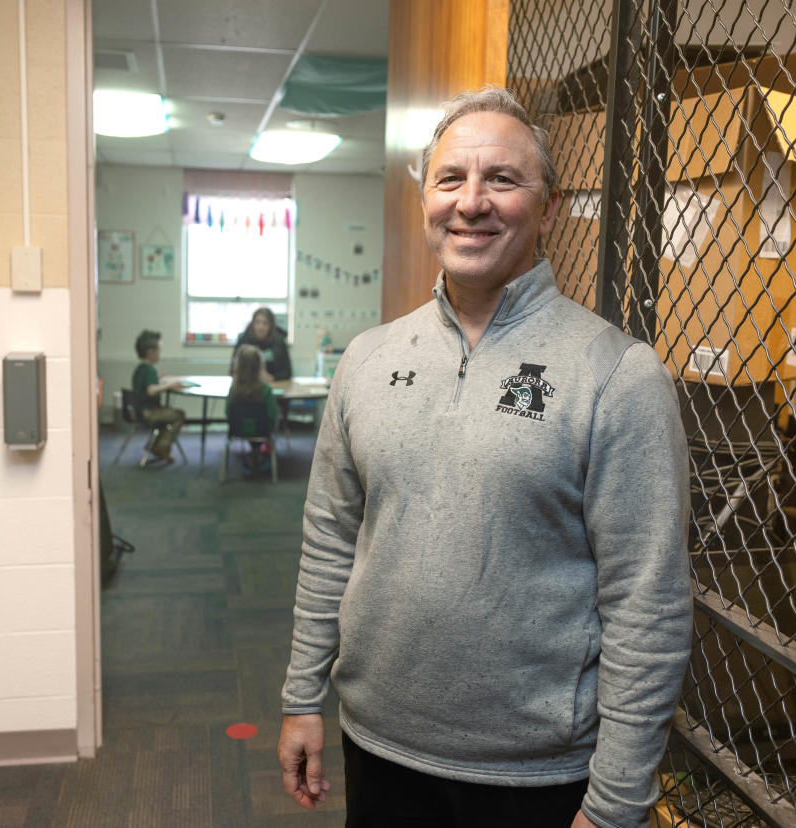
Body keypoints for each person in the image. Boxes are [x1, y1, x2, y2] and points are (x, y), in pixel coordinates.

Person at [277, 87, 692, 828]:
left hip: (537, 780)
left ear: (549, 207)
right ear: (426, 199)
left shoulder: (618, 375)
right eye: (450, 179)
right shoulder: (368, 360)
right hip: (377, 747)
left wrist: (620, 798)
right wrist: (302, 697)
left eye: (502, 179)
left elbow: (647, 603)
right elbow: (329, 543)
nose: (471, 202)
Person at [131, 329, 185, 465]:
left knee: (167, 415)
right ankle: (161, 447)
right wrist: (168, 386)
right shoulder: (149, 370)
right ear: (150, 352)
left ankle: (156, 446)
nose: (160, 353)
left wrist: (159, 378)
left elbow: (147, 384)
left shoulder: (141, 368)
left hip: (139, 410)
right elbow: (150, 390)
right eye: (159, 350)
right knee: (178, 415)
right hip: (149, 412)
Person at [227, 344, 281, 474]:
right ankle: (260, 455)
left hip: (237, 430)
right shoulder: (266, 390)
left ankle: (253, 455)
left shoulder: (233, 390)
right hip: (263, 430)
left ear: (238, 366)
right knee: (267, 423)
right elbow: (273, 414)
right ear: (259, 366)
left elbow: (227, 412)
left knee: (250, 423)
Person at [234, 307, 292, 382]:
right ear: (253, 324)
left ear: (271, 326)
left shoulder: (279, 342)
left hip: (273, 385)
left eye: (265, 323)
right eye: (257, 322)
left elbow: (287, 372)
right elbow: (233, 370)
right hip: (248, 385)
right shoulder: (244, 341)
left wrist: (273, 377)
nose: (261, 327)